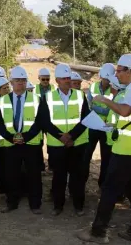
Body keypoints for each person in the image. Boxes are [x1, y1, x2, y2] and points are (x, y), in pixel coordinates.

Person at [77, 54, 131, 244]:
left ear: (129, 71)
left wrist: (103, 100)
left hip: (129, 150)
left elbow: (124, 111)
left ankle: (98, 232)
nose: (117, 74)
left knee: (110, 188)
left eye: (119, 70)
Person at [0, 66, 45, 214]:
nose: (21, 83)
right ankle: (12, 202)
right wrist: (11, 138)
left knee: (34, 174)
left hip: (31, 143)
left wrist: (25, 137)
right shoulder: (3, 100)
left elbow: (40, 121)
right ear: (11, 82)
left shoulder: (36, 99)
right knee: (11, 174)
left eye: (23, 81)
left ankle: (35, 204)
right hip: (11, 144)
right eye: (17, 80)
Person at [45, 63, 90, 217]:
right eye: (63, 78)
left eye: (68, 78)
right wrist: (61, 136)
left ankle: (78, 205)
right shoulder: (48, 97)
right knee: (59, 177)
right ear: (57, 80)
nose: (67, 81)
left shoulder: (80, 95)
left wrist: (71, 136)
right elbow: (44, 121)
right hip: (57, 145)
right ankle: (58, 205)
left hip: (77, 144)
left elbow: (86, 118)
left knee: (78, 177)